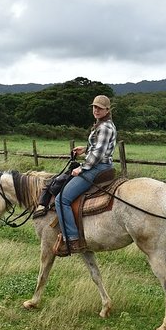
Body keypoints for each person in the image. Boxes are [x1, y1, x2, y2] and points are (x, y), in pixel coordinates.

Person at [55, 94, 116, 256]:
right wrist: (85, 150)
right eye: (94, 107)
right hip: (101, 164)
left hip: (97, 167)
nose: (96, 110)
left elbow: (97, 155)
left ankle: (73, 239)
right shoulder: (102, 124)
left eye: (100, 108)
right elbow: (97, 148)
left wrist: (82, 168)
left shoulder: (104, 127)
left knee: (61, 199)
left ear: (107, 110)